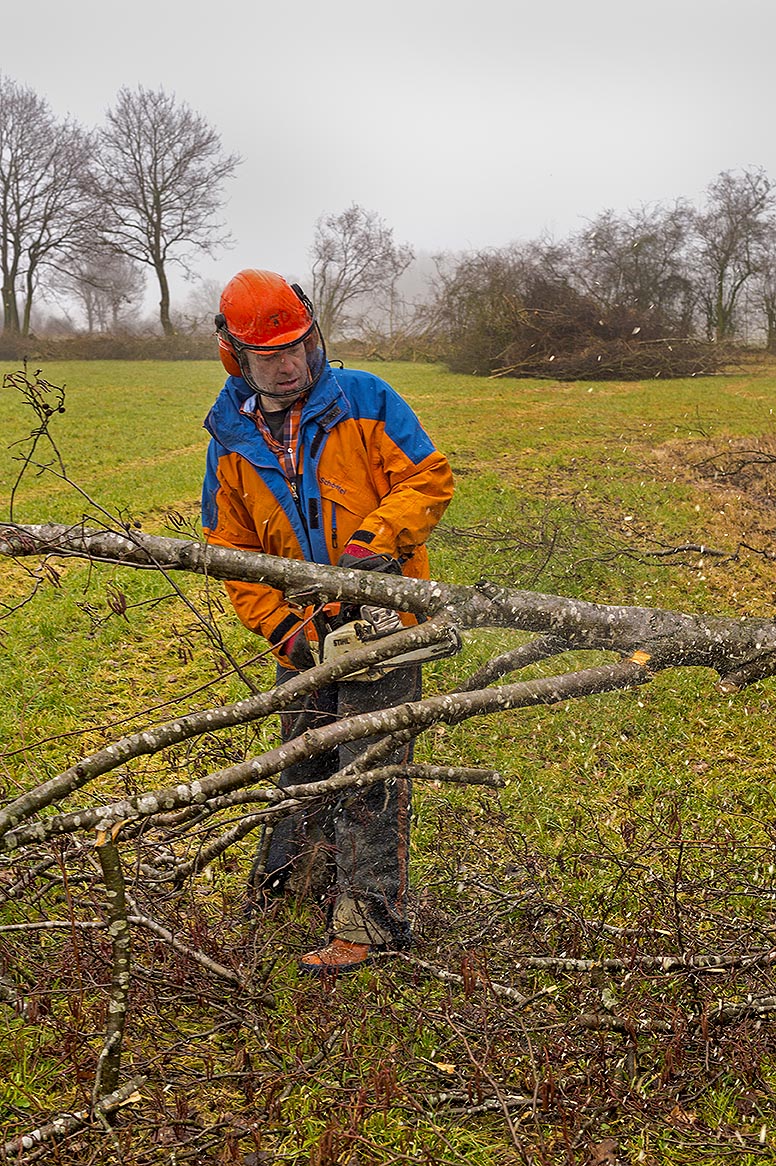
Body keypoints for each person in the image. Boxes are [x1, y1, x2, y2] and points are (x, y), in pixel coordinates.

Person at [201, 269, 454, 973]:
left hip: (382, 622)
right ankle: (292, 892)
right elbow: (231, 549)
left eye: (298, 346)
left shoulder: (366, 398)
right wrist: (284, 628)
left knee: (366, 775)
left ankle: (369, 925)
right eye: (270, 355)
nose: (289, 363)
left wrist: (373, 546)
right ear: (236, 357)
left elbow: (428, 477)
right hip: (302, 630)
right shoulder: (228, 438)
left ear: (314, 334)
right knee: (302, 767)